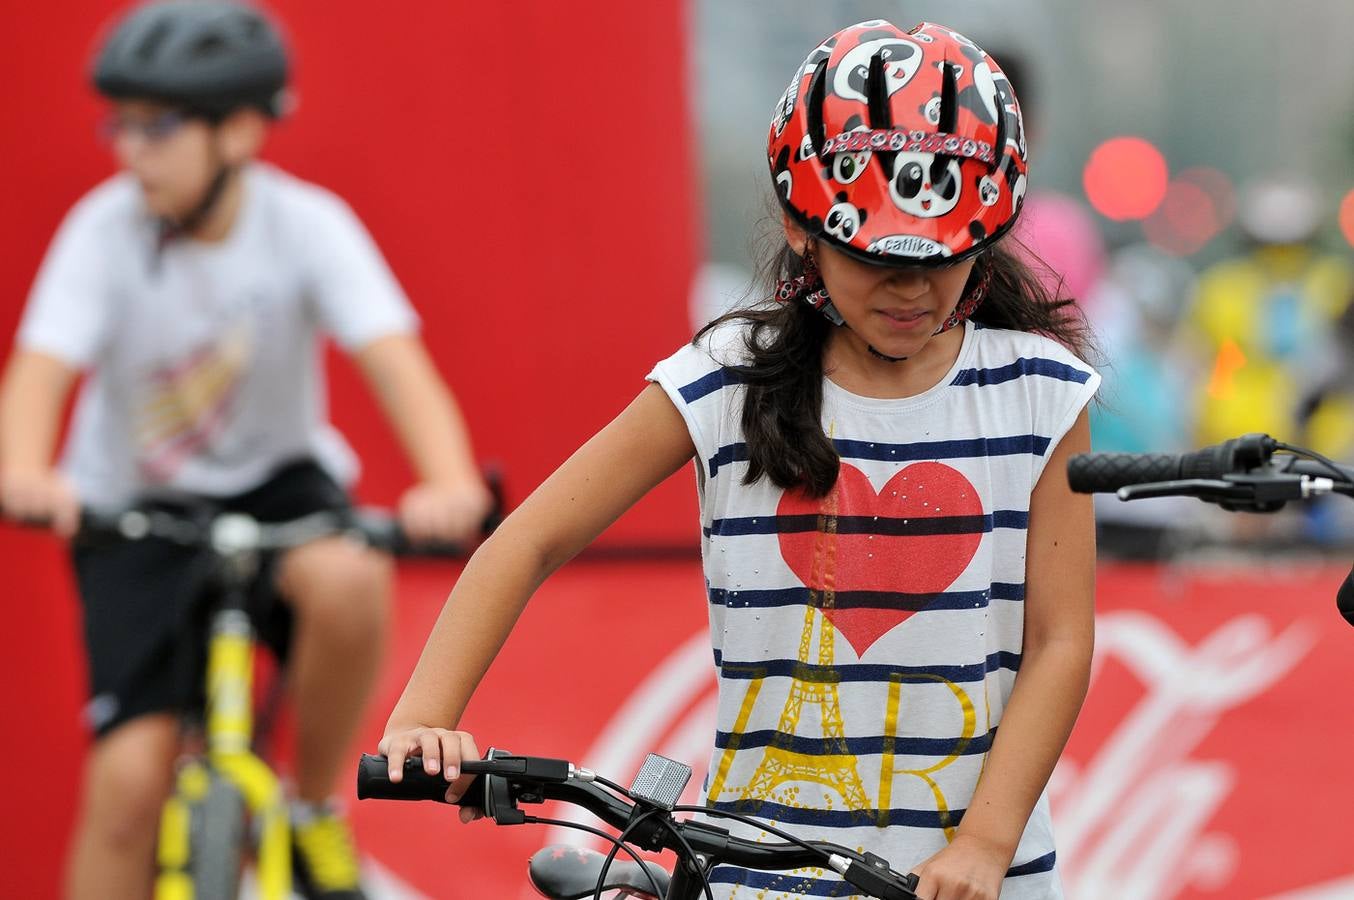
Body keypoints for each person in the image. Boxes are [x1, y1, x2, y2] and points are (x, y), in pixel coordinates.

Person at [380, 20, 1098, 900]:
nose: (910, 289)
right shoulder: (727, 377)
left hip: (978, 882)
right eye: (874, 255)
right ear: (804, 229)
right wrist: (425, 716)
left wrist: (985, 844)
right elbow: (525, 540)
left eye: (943, 256)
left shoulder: (1043, 392)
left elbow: (1060, 642)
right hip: (757, 877)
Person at [0, 2, 492, 898]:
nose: (128, 151)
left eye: (157, 127)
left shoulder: (307, 225)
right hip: (133, 505)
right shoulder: (101, 230)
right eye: (121, 124)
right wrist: (25, 473)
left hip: (275, 485)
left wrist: (448, 481)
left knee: (347, 573)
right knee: (129, 783)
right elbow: (38, 372)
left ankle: (310, 807)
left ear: (240, 130)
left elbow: (397, 365)